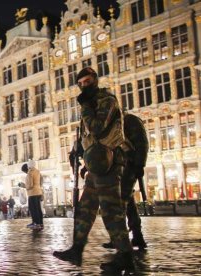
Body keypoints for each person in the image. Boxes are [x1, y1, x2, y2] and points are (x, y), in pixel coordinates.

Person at [53, 67, 135, 273]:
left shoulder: (106, 100)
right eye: (80, 84)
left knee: (111, 210)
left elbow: (97, 127)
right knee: (85, 208)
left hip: (107, 162)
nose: (84, 86)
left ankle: (125, 256)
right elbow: (89, 135)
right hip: (96, 163)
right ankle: (77, 249)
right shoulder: (92, 102)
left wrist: (86, 108)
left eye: (88, 82)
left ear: (96, 81)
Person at [102, 111, 149, 250]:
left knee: (120, 200)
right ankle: (137, 236)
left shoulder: (130, 120)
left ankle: (119, 238)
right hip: (121, 166)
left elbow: (142, 143)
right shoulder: (115, 125)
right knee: (128, 202)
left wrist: (140, 164)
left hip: (131, 164)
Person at [22, 161, 43, 230]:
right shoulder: (37, 171)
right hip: (38, 192)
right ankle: (40, 223)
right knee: (38, 209)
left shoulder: (30, 173)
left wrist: (24, 186)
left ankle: (35, 223)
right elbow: (41, 181)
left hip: (32, 193)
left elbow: (30, 185)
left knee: (33, 209)